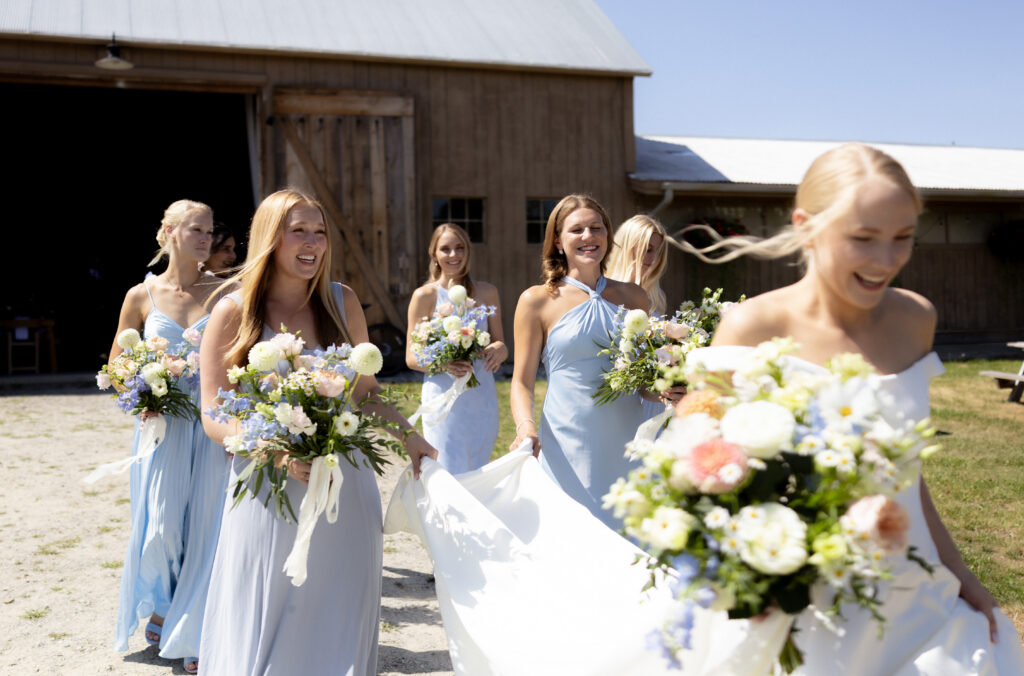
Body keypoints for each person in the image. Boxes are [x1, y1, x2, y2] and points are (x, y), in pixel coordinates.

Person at [682, 142, 1024, 672]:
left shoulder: (916, 319)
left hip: (914, 594)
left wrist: (958, 569)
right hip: (798, 606)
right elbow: (700, 474)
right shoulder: (750, 327)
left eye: (903, 238)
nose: (886, 261)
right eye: (863, 239)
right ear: (807, 226)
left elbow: (903, 471)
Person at [197, 188, 437, 676]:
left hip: (344, 485)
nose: (312, 243)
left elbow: (365, 393)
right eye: (298, 231)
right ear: (270, 238)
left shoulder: (341, 301)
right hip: (269, 484)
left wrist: (409, 435)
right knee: (270, 607)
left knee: (339, 605)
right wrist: (273, 453)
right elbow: (211, 413)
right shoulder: (231, 311)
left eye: (320, 232)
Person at [109, 199, 228, 674]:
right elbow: (117, 363)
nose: (206, 239)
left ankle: (193, 629)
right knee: (159, 529)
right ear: (170, 232)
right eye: (197, 230)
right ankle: (162, 604)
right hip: (161, 428)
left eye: (210, 231)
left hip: (211, 423)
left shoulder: (226, 292)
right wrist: (139, 391)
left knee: (206, 527)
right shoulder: (142, 295)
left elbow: (238, 356)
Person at [509, 194, 648, 529]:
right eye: (577, 230)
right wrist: (525, 426)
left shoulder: (634, 296)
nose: (588, 236)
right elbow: (521, 381)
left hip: (627, 439)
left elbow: (645, 379)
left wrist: (671, 387)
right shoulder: (536, 301)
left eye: (596, 228)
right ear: (558, 241)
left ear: (607, 235)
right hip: (568, 439)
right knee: (573, 535)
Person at [405, 223, 506, 474]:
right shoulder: (425, 296)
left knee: (478, 469)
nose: (453, 255)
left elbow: (501, 343)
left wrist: (497, 350)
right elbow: (411, 357)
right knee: (447, 469)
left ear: (468, 251)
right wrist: (444, 363)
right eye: (446, 249)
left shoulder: (487, 292)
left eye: (459, 248)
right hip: (443, 398)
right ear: (434, 255)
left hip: (481, 397)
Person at [604, 214, 684, 420]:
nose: (652, 258)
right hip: (610, 402)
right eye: (647, 249)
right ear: (626, 246)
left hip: (650, 404)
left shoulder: (656, 297)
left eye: (657, 252)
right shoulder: (602, 295)